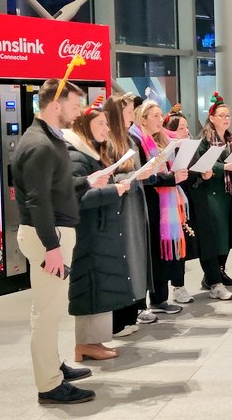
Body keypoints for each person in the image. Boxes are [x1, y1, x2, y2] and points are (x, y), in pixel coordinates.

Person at [11, 79, 96, 404]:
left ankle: (53, 365)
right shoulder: (41, 146)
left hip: (52, 234)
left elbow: (54, 188)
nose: (78, 113)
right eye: (74, 106)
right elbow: (38, 201)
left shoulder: (48, 139)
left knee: (48, 310)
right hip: (49, 237)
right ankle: (49, 384)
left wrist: (87, 181)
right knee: (48, 314)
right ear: (55, 105)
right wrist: (52, 248)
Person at [64, 97, 134, 362]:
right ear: (85, 126)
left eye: (106, 123)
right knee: (91, 285)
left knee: (101, 285)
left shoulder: (93, 153)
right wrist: (114, 190)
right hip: (89, 232)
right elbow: (78, 198)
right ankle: (85, 344)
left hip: (101, 230)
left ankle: (95, 341)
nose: (106, 129)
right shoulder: (76, 156)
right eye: (101, 124)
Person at [103, 95, 156, 336]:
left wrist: (148, 172)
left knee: (137, 257)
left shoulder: (129, 140)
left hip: (135, 203)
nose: (131, 117)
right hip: (121, 208)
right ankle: (119, 319)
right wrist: (135, 177)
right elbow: (106, 178)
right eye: (127, 113)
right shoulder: (109, 142)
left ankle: (132, 312)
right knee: (126, 258)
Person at [130, 100, 188, 314]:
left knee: (160, 253)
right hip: (147, 202)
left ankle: (159, 299)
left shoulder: (158, 139)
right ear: (143, 119)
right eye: (155, 116)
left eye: (161, 115)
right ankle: (142, 304)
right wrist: (171, 178)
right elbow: (144, 175)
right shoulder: (136, 141)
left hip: (162, 202)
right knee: (150, 253)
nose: (160, 119)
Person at [190, 92, 232, 300]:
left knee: (228, 232)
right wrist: (225, 167)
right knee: (215, 234)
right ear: (211, 118)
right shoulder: (204, 140)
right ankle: (213, 276)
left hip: (229, 192)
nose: (226, 119)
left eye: (228, 115)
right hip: (210, 191)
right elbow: (201, 163)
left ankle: (219, 270)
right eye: (221, 115)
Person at [162, 105, 195, 304]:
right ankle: (170, 289)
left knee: (181, 245)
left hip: (184, 198)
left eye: (186, 127)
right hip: (167, 200)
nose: (186, 131)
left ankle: (179, 285)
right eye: (181, 128)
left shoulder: (188, 146)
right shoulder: (166, 147)